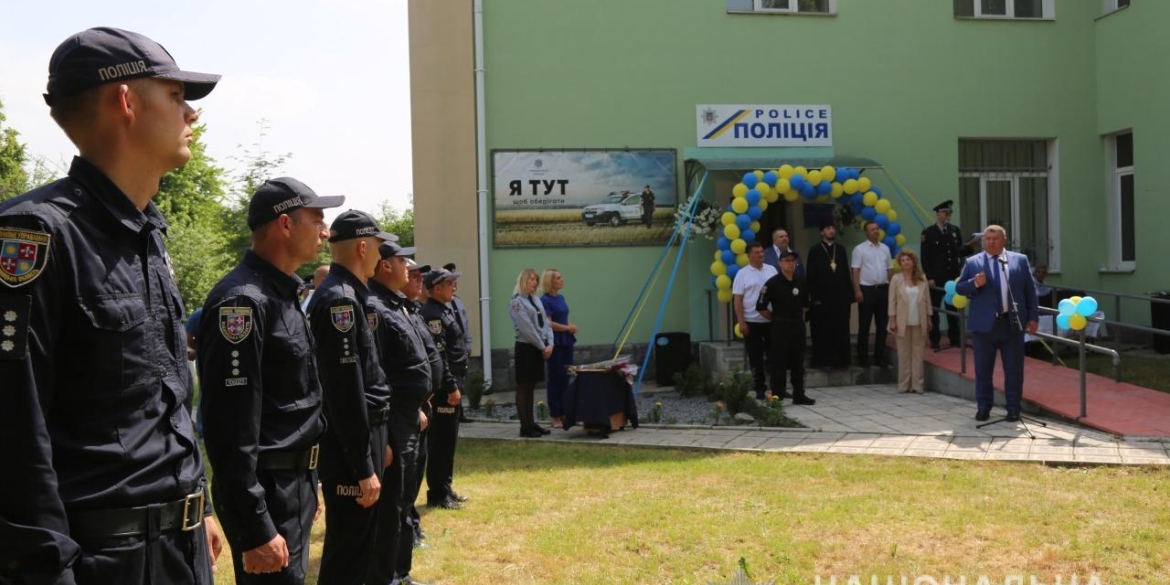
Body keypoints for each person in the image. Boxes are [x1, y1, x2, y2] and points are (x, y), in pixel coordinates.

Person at [0, 27, 224, 585]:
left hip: (179, 549)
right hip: (105, 562)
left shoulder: (146, 235)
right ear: (124, 100)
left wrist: (201, 505)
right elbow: (12, 434)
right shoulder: (33, 238)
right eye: (176, 96)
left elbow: (159, 400)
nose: (191, 114)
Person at [198, 177, 342, 583]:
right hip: (266, 490)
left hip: (290, 482)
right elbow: (229, 426)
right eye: (317, 219)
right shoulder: (242, 303)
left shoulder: (282, 294)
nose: (325, 232)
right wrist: (256, 523)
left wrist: (308, 478)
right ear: (284, 224)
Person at [307, 210, 396, 585]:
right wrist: (362, 465)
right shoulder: (339, 302)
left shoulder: (351, 296)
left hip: (367, 435)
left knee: (362, 547)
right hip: (349, 448)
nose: (381, 256)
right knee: (348, 551)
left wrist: (380, 441)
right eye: (377, 247)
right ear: (363, 246)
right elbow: (344, 392)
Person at [367, 241, 434, 585]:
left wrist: (419, 405)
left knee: (405, 500)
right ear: (384, 266)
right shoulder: (374, 307)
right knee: (392, 506)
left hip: (409, 416)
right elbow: (376, 373)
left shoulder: (397, 304)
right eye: (401, 259)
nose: (409, 266)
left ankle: (401, 572)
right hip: (391, 421)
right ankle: (387, 576)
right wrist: (385, 434)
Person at [955, 225, 1040, 422]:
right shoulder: (972, 262)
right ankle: (984, 407)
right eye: (987, 238)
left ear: (1004, 240)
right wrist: (975, 283)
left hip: (1011, 324)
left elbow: (1030, 291)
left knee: (1014, 370)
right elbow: (959, 288)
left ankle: (1013, 408)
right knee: (983, 371)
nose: (990, 242)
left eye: (995, 238)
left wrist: (1033, 317)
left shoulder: (1019, 260)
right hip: (984, 327)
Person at [421, 267, 471, 509]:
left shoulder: (444, 309)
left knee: (449, 439)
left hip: (454, 380)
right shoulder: (432, 314)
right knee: (441, 440)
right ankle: (437, 492)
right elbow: (440, 356)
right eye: (450, 283)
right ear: (436, 288)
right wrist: (451, 386)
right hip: (444, 387)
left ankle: (446, 487)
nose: (454, 286)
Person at [403, 260, 437, 546]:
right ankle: (407, 531)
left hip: (422, 404)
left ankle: (411, 525)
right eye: (412, 275)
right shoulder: (385, 310)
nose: (417, 280)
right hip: (408, 410)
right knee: (405, 481)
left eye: (419, 276)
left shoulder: (411, 310)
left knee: (416, 473)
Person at [755, 251, 816, 405]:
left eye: (793, 261)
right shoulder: (772, 283)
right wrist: (775, 319)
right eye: (786, 260)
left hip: (797, 325)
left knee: (798, 362)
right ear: (780, 263)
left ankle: (799, 394)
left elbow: (806, 306)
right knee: (779, 362)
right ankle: (777, 395)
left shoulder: (801, 282)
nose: (790, 263)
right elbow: (761, 307)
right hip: (779, 326)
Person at [508, 268, 555, 437]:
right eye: (531, 280)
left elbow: (546, 323)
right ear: (523, 281)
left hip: (539, 346)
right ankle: (524, 426)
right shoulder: (517, 302)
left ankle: (532, 423)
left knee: (531, 386)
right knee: (523, 386)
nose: (535, 283)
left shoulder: (536, 300)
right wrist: (543, 346)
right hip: (526, 347)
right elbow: (527, 328)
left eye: (536, 280)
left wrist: (550, 344)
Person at [805, 218, 853, 369]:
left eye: (833, 228)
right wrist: (815, 297)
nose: (831, 230)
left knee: (840, 329)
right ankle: (823, 361)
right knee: (823, 330)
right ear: (821, 232)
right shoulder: (815, 250)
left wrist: (849, 296)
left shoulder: (840, 249)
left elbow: (845, 273)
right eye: (827, 228)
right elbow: (811, 275)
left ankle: (841, 361)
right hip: (822, 300)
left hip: (839, 298)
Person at [732, 242, 778, 399]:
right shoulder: (742, 274)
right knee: (756, 357)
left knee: (776, 356)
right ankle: (759, 388)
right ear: (749, 255)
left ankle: (778, 388)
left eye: (762, 252)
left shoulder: (771, 270)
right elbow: (738, 300)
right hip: (752, 322)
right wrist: (741, 322)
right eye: (757, 253)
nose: (760, 255)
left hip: (771, 321)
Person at [920, 200, 964, 350]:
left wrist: (970, 247)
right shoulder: (928, 233)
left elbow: (959, 252)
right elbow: (925, 257)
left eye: (950, 213)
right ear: (938, 214)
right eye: (946, 213)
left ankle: (955, 338)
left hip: (952, 278)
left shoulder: (954, 230)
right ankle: (935, 339)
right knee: (934, 311)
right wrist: (929, 276)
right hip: (936, 278)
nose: (948, 216)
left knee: (952, 309)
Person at [887, 250, 933, 394]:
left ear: (913, 261)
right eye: (903, 260)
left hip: (919, 320)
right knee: (904, 354)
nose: (906, 262)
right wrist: (892, 319)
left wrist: (929, 317)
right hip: (902, 321)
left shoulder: (922, 278)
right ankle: (903, 385)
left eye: (908, 259)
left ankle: (917, 385)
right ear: (900, 263)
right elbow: (892, 301)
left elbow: (927, 300)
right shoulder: (896, 279)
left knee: (918, 353)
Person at [851, 221, 893, 368]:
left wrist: (891, 289)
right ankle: (863, 358)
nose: (876, 231)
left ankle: (879, 358)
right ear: (866, 233)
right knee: (865, 325)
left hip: (883, 289)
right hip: (867, 290)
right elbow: (855, 270)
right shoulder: (859, 249)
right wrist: (857, 290)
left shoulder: (885, 249)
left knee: (882, 326)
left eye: (877, 229)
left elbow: (889, 270)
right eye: (872, 229)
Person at [540, 269, 577, 429]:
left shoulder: (561, 298)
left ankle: (564, 412)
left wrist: (570, 326)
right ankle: (554, 415)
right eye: (558, 278)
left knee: (565, 377)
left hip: (566, 340)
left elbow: (564, 316)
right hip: (554, 341)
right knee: (555, 378)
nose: (562, 280)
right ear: (550, 282)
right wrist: (567, 328)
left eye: (561, 277)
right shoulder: (545, 300)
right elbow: (549, 323)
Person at [443, 262, 475, 423]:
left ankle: (461, 412)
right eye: (451, 279)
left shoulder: (458, 301)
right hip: (451, 348)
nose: (454, 284)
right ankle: (455, 411)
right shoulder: (442, 303)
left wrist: (468, 344)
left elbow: (465, 324)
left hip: (461, 346)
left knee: (461, 380)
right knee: (453, 379)